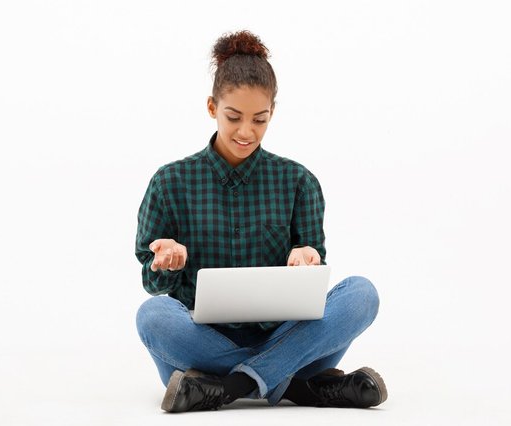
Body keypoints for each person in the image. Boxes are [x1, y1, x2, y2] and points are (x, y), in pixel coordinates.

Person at [135, 29, 387, 413]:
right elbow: (152, 285)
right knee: (152, 317)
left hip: (281, 337)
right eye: (233, 117)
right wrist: (166, 261)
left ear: (273, 113)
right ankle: (298, 387)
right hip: (202, 345)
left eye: (260, 119)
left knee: (361, 294)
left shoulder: (298, 181)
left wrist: (306, 257)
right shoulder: (170, 182)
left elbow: (312, 273)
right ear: (211, 107)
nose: (245, 132)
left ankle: (231, 386)